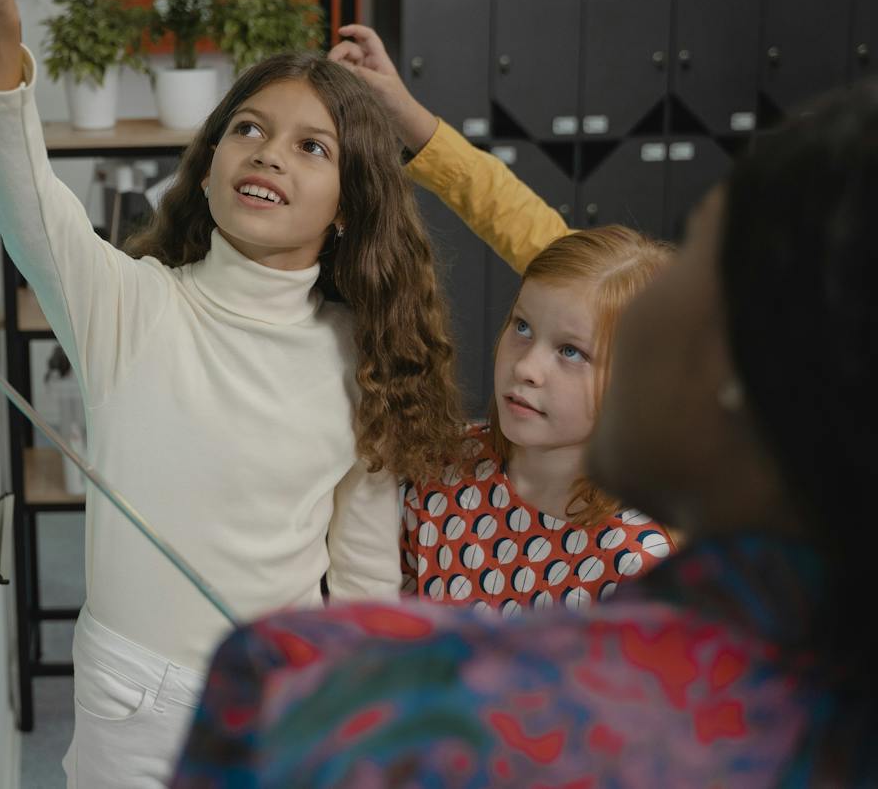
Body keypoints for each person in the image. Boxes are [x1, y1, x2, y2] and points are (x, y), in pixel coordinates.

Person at [0, 0, 464, 786]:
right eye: (248, 127)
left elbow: (365, 577)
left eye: (310, 145)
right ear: (206, 171)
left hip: (283, 698)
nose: (268, 153)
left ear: (347, 206)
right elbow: (26, 198)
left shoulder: (362, 352)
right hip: (137, 700)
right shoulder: (135, 305)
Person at [172, 78, 878, 786]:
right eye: (522, 328)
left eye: (695, 249)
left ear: (745, 369)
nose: (534, 365)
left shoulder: (289, 693)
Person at [328, 25, 676, 612]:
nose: (528, 368)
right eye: (520, 327)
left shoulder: (635, 565)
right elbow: (515, 217)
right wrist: (408, 117)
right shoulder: (440, 474)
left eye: (571, 352)